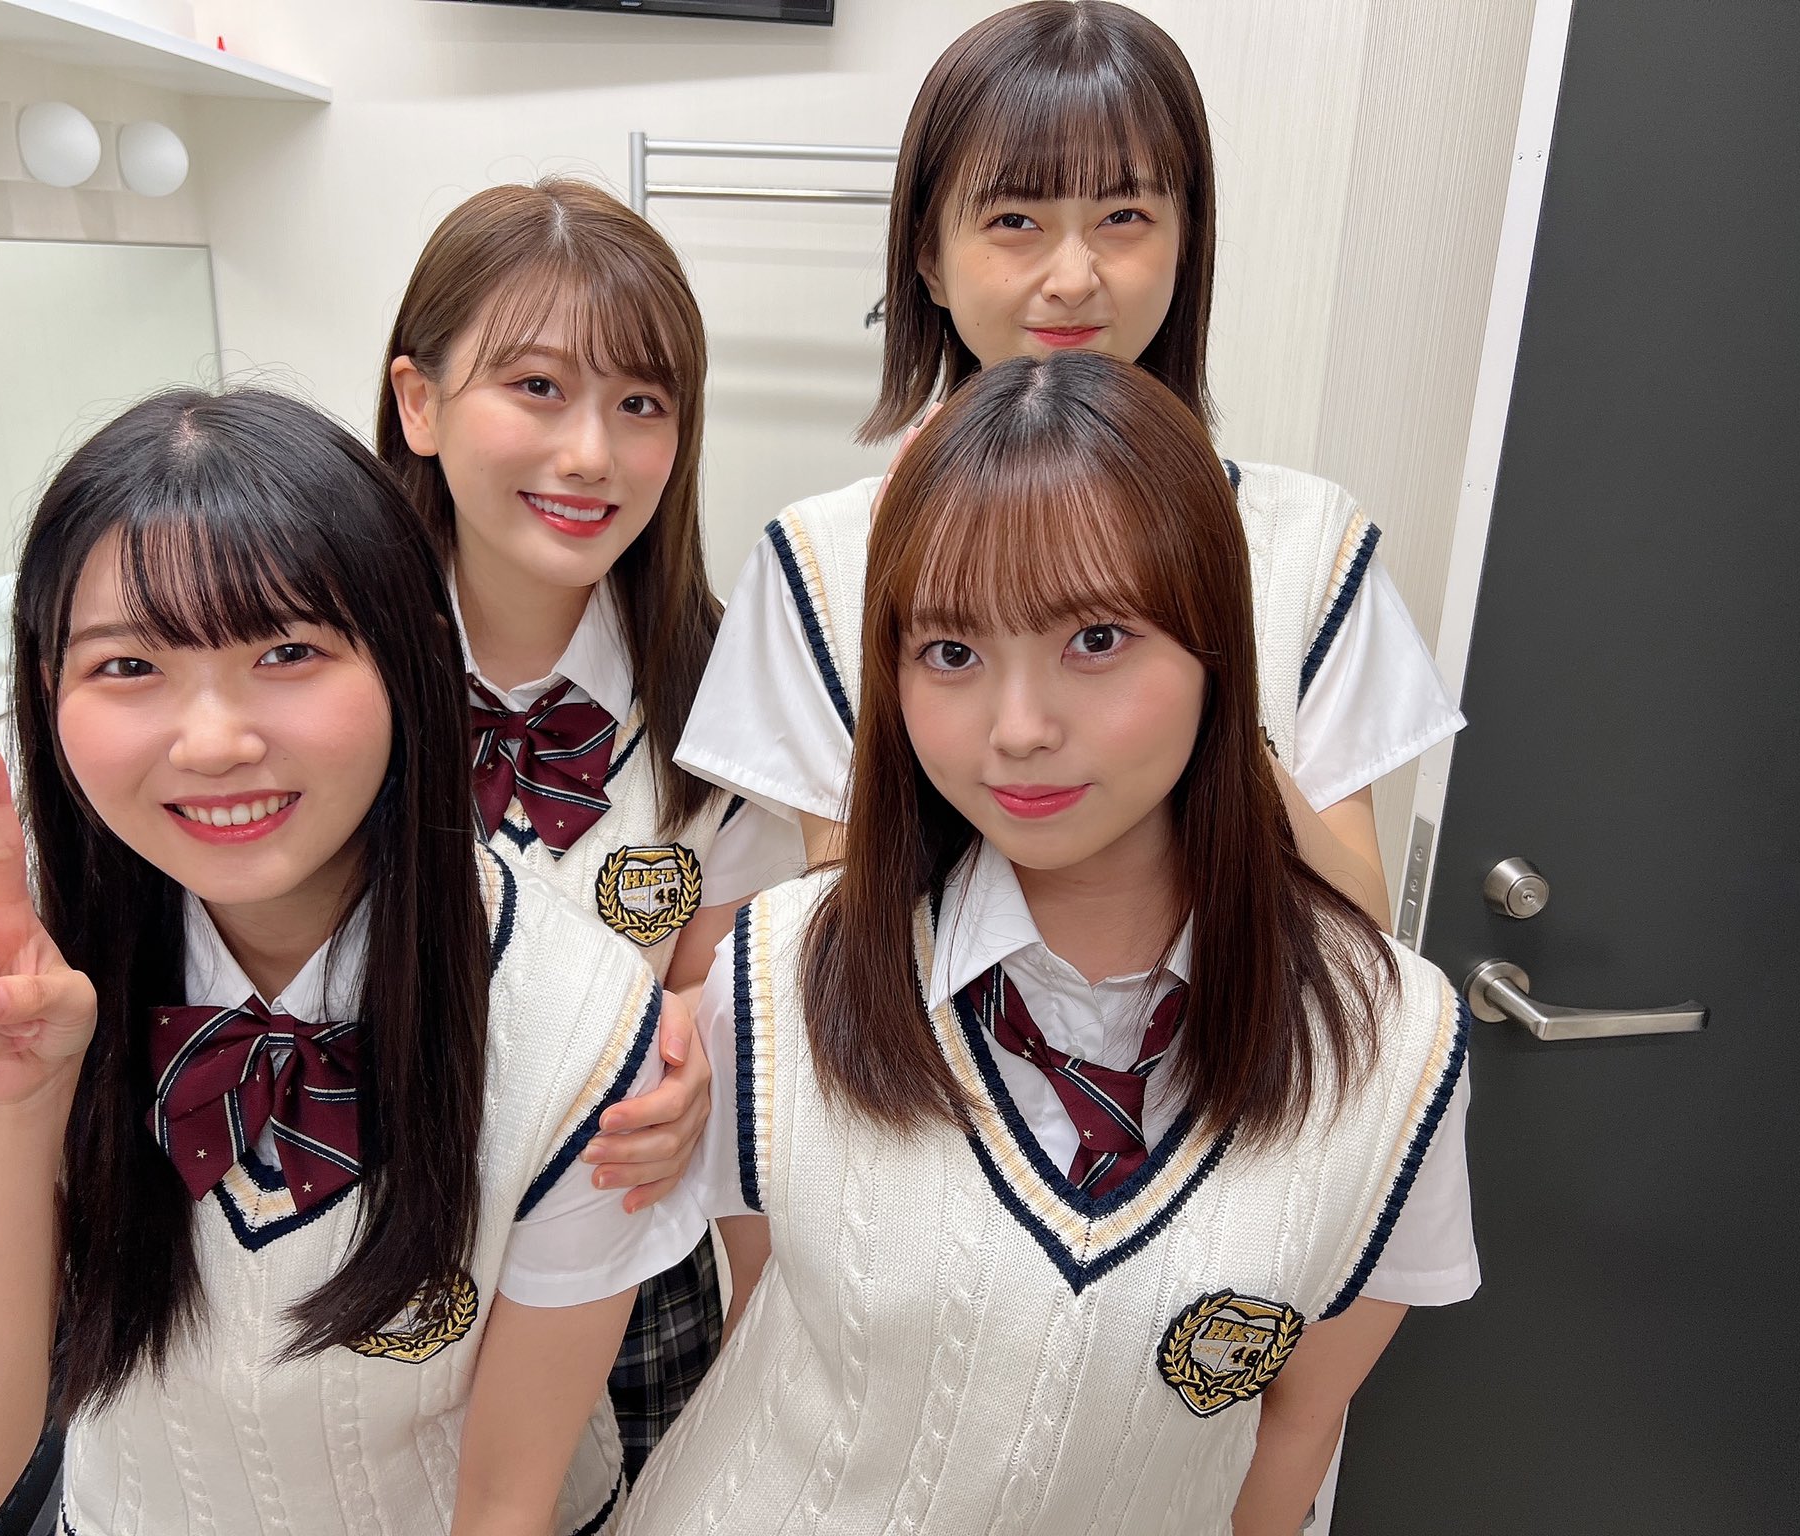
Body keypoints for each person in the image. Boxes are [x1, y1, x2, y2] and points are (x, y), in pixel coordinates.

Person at [0, 390, 701, 1535]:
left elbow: (505, 1502)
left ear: (413, 662)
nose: (215, 742)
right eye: (129, 665)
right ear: (46, 690)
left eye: (288, 651)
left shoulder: (580, 1018)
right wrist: (9, 1108)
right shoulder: (10, 970)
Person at [623, 354, 1477, 1536]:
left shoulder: (1395, 1049)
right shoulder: (778, 978)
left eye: (1095, 638)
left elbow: (1292, 1429)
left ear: (1216, 649)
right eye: (951, 653)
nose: (1017, 729)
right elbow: (770, 1331)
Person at [677, 0, 1461, 927]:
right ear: (930, 259)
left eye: (1124, 216)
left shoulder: (1308, 545)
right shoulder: (818, 562)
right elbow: (861, 918)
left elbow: (1358, 927)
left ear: (1186, 241)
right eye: (1015, 219)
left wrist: (1204, 712)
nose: (1074, 277)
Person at [378, 178, 797, 1471]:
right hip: (356, 1239)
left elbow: (719, 998)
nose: (590, 456)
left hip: (622, 1275)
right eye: (538, 387)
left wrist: (698, 1071)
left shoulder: (725, 697)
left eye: (640, 404)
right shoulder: (312, 672)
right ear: (418, 403)